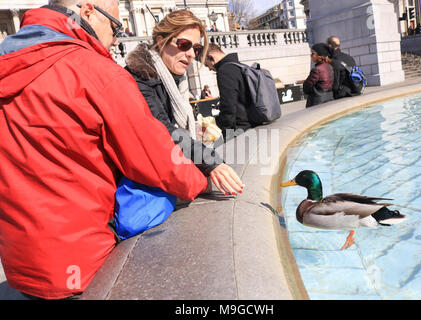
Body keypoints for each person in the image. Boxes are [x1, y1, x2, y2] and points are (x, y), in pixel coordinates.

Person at [0, 0, 213, 300]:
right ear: (87, 11)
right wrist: (203, 180)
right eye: (115, 26)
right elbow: (156, 159)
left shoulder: (9, 62)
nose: (116, 36)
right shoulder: (96, 72)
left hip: (21, 267)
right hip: (82, 266)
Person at [125, 10, 243, 194]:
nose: (190, 54)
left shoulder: (176, 79)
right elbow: (163, 131)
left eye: (195, 48)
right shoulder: (140, 77)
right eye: (183, 44)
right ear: (160, 41)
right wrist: (211, 162)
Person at [204, 43, 253, 141]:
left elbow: (228, 107)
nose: (209, 69)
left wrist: (221, 128)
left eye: (207, 65)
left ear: (211, 57)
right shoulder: (240, 66)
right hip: (252, 124)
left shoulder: (224, 70)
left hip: (240, 130)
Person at [303, 43, 334, 108]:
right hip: (330, 98)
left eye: (313, 53)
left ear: (320, 56)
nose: (311, 56)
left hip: (318, 101)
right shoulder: (330, 66)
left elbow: (307, 87)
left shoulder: (317, 70)